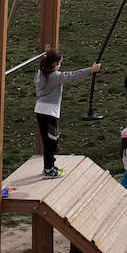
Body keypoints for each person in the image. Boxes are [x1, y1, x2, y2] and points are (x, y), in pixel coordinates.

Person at [34, 49, 101, 179]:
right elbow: (72, 75)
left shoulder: (40, 73)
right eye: (59, 62)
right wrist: (91, 70)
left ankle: (50, 166)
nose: (60, 65)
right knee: (52, 142)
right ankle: (48, 169)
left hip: (40, 110)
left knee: (48, 141)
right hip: (49, 112)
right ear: (54, 64)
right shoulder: (54, 76)